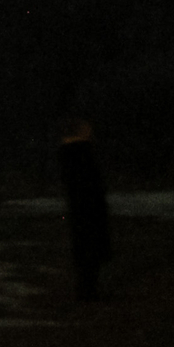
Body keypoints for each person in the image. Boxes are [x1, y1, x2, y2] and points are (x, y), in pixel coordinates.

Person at [57, 117, 112, 302]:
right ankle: (87, 292)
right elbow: (88, 183)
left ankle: (87, 290)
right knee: (90, 251)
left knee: (86, 251)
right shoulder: (79, 152)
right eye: (87, 128)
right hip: (87, 209)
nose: (91, 131)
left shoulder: (73, 152)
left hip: (82, 208)